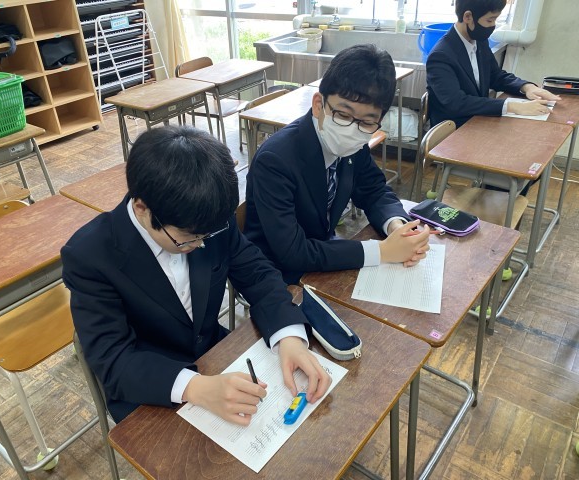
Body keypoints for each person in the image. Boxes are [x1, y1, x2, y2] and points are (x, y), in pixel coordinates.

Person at [61, 126, 331, 425]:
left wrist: (288, 335)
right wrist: (195, 387)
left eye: (206, 236)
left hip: (213, 354)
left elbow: (256, 273)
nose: (201, 244)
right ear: (142, 208)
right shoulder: (90, 256)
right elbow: (113, 361)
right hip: (149, 390)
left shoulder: (207, 216)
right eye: (188, 239)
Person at [243, 44, 431, 285]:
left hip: (321, 255)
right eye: (343, 115)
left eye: (366, 122)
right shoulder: (276, 160)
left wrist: (396, 226)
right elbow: (292, 252)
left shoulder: (354, 144)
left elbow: (374, 190)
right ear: (318, 104)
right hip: (275, 273)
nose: (353, 129)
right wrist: (382, 251)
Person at [427, 0, 561, 128]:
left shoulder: (479, 41)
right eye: (490, 20)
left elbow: (495, 75)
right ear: (468, 17)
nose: (493, 25)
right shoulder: (441, 56)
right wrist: (512, 106)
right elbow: (456, 103)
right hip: (454, 130)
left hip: (479, 121)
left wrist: (527, 87)